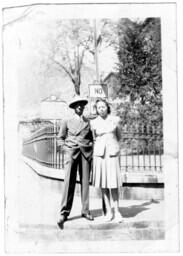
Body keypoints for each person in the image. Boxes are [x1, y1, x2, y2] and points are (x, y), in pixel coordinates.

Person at [57, 96, 94, 229]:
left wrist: (90, 146)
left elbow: (91, 138)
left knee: (85, 183)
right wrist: (66, 149)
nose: (80, 107)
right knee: (69, 183)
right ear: (73, 108)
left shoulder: (87, 121)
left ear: (84, 107)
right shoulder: (66, 121)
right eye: (77, 105)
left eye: (82, 105)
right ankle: (64, 213)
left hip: (85, 154)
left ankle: (85, 211)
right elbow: (60, 138)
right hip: (71, 154)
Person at [90, 98, 123, 223]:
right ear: (96, 110)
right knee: (103, 185)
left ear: (107, 107)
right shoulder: (93, 122)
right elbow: (94, 138)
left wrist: (112, 146)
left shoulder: (115, 120)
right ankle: (108, 212)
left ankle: (117, 212)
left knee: (113, 184)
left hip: (112, 154)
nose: (101, 109)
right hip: (100, 155)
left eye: (103, 107)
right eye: (99, 107)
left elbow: (119, 136)